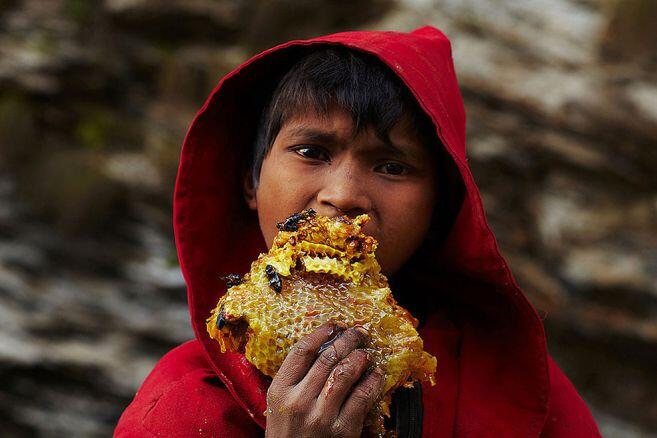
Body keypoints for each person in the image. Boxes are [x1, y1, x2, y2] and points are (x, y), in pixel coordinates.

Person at [114, 26, 601, 437]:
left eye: (392, 166)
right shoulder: (183, 407)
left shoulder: (512, 382)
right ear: (251, 181)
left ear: (442, 207)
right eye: (311, 152)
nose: (344, 195)